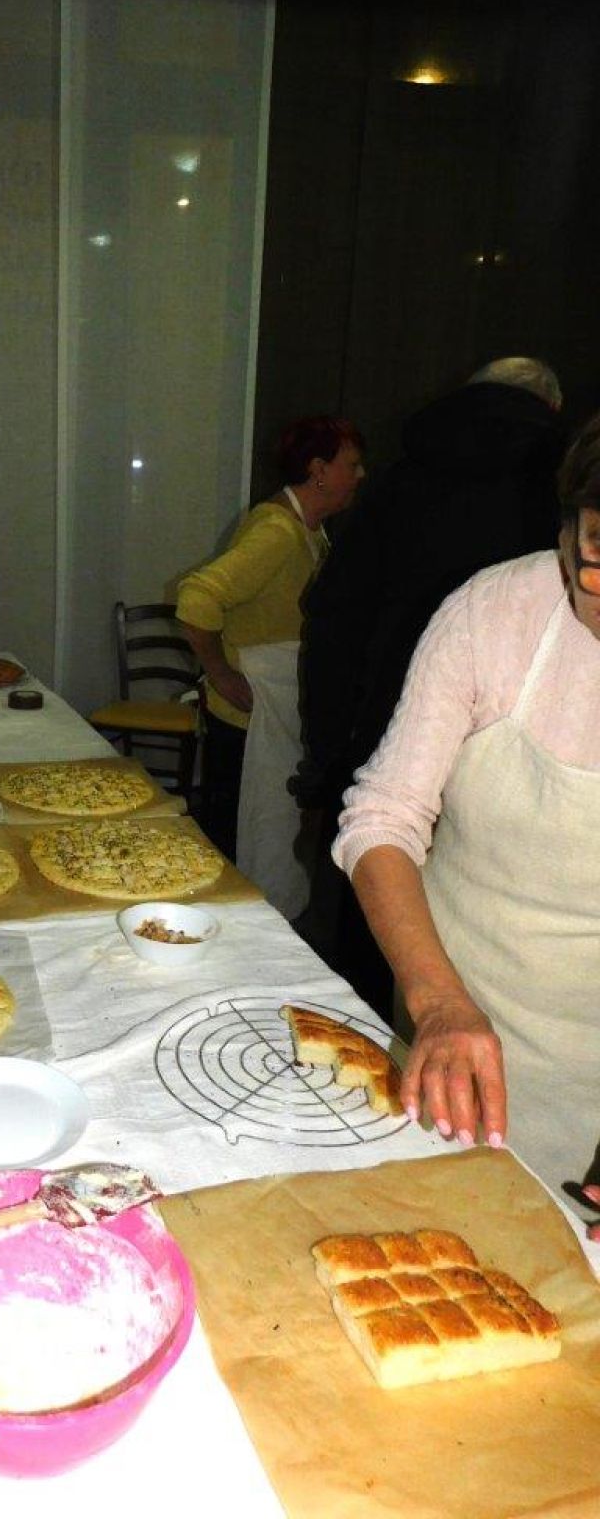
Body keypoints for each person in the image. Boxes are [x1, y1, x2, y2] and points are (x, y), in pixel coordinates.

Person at [333, 417, 600, 1226]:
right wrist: (440, 1003)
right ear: (567, 534)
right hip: (453, 1018)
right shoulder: (495, 613)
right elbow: (381, 818)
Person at [295, 358, 565, 1019]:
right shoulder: (557, 487)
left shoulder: (400, 479)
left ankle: (367, 1050)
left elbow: (333, 618)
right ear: (552, 411)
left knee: (370, 912)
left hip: (383, 722)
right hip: (513, 752)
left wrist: (326, 753)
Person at [175, 416, 364, 908]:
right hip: (246, 717)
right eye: (352, 464)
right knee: (238, 837)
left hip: (273, 708)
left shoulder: (309, 531)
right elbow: (197, 597)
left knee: (264, 831)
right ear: (318, 470)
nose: (360, 475)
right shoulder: (278, 531)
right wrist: (220, 672)